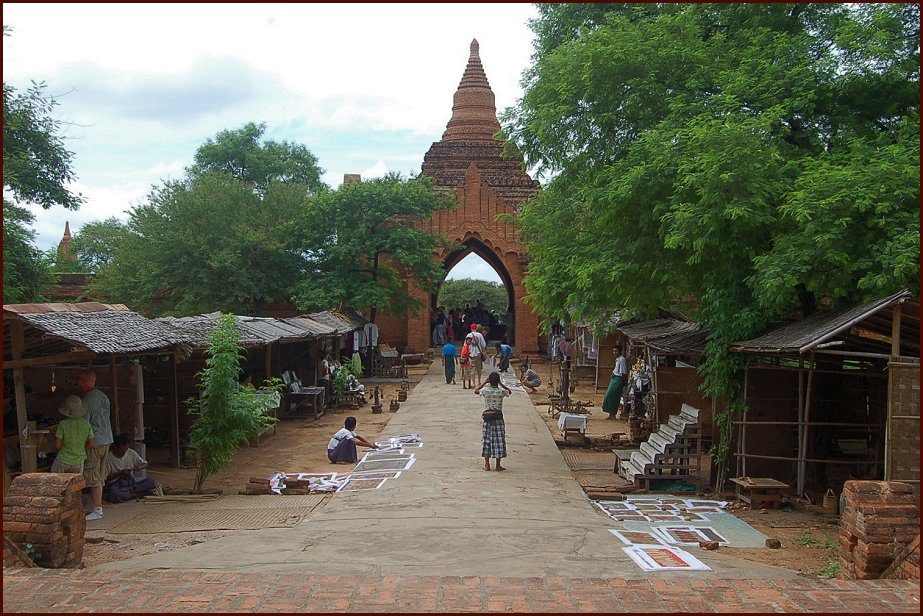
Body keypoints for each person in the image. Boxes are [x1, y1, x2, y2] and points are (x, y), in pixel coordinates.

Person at [77, 369, 112, 521]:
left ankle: (98, 509)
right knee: (100, 474)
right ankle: (97, 507)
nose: (77, 383)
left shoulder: (86, 400)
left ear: (84, 381)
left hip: (94, 441)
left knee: (94, 475)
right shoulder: (103, 397)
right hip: (106, 439)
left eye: (79, 380)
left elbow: (84, 424)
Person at [104, 433, 159, 503]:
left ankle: (129, 494)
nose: (125, 452)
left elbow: (145, 463)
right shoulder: (108, 458)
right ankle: (140, 494)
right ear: (116, 447)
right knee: (114, 493)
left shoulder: (130, 452)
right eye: (122, 449)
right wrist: (121, 473)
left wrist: (140, 467)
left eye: (126, 449)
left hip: (131, 484)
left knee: (151, 482)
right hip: (117, 485)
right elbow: (106, 478)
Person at [474, 372, 511, 471]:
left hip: (488, 418)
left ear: (489, 380)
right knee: (499, 440)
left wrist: (485, 382)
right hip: (498, 418)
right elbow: (509, 391)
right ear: (498, 381)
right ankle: (498, 465)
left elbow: (476, 391)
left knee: (487, 440)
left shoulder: (485, 390)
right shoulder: (501, 392)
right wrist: (501, 384)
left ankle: (487, 465)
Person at [50, 395, 95, 475]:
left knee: (56, 483)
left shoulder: (63, 424)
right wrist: (79, 447)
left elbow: (57, 445)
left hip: (63, 460)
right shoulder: (86, 425)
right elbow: (91, 445)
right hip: (79, 462)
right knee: (75, 485)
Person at [602, 345, 629, 420]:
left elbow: (623, 372)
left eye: (616, 351)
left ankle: (613, 414)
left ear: (620, 351)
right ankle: (611, 414)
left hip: (618, 380)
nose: (615, 352)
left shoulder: (622, 360)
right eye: (614, 351)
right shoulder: (618, 359)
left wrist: (624, 382)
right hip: (614, 378)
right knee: (609, 396)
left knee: (613, 396)